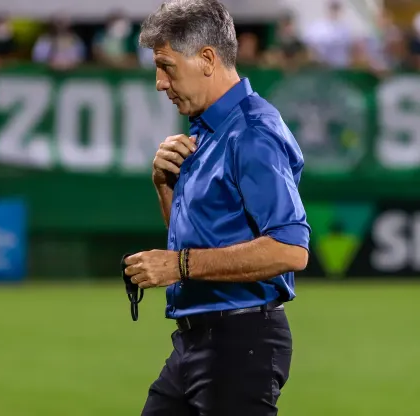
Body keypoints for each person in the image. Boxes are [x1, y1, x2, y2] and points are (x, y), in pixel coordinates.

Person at [124, 1, 311, 415]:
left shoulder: (252, 132)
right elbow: (196, 235)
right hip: (196, 343)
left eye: (166, 66)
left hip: (241, 343)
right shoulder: (207, 131)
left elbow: (290, 249)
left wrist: (179, 265)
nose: (159, 82)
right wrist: (164, 187)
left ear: (207, 59)